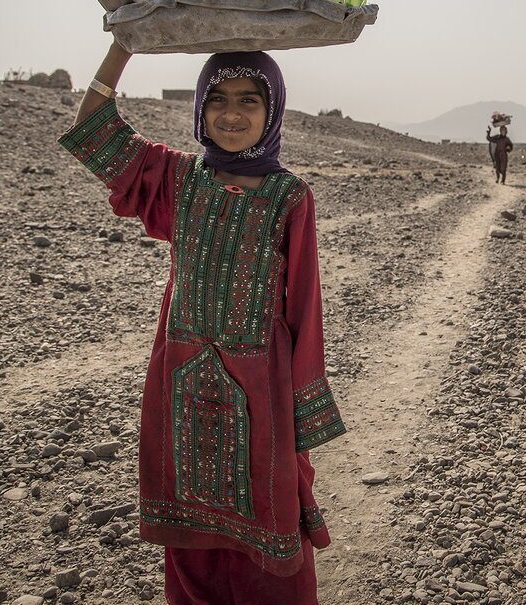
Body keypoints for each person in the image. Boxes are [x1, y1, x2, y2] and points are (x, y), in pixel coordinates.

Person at [58, 40, 345, 605]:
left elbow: (304, 307)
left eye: (248, 100)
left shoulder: (291, 196)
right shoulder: (175, 179)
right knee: (190, 537)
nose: (231, 114)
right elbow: (93, 132)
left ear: (273, 110)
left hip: (261, 391)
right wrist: (122, 46)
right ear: (198, 110)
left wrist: (302, 412)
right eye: (216, 99)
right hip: (182, 382)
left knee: (269, 523)